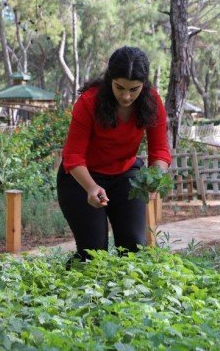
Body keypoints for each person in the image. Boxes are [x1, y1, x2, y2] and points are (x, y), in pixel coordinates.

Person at [57, 46, 172, 264]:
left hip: (125, 174)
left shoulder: (153, 102)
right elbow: (73, 155)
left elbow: (160, 151)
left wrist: (156, 177)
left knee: (134, 249)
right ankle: (77, 294)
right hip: (81, 178)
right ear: (110, 79)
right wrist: (91, 187)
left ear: (144, 85)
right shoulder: (89, 101)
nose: (126, 96)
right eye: (120, 87)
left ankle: (128, 296)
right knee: (92, 254)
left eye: (134, 89)